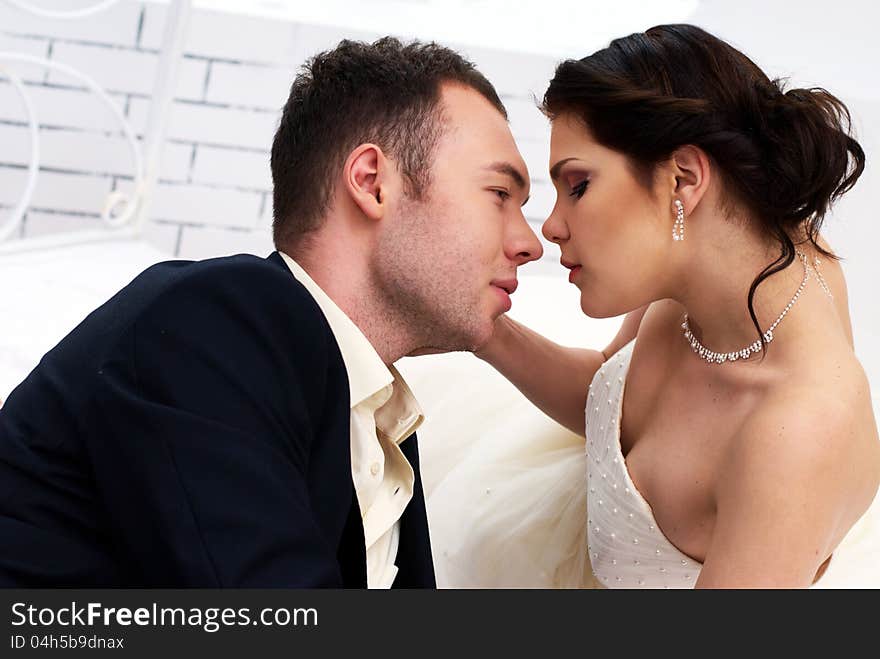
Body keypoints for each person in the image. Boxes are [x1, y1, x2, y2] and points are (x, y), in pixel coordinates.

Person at [0, 37, 542, 587]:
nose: (530, 243)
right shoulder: (214, 323)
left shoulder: (377, 419)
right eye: (499, 193)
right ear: (372, 183)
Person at [429, 24, 880, 588]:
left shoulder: (794, 435)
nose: (551, 226)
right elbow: (610, 399)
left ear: (683, 178)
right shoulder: (731, 254)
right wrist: (483, 329)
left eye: (579, 185)